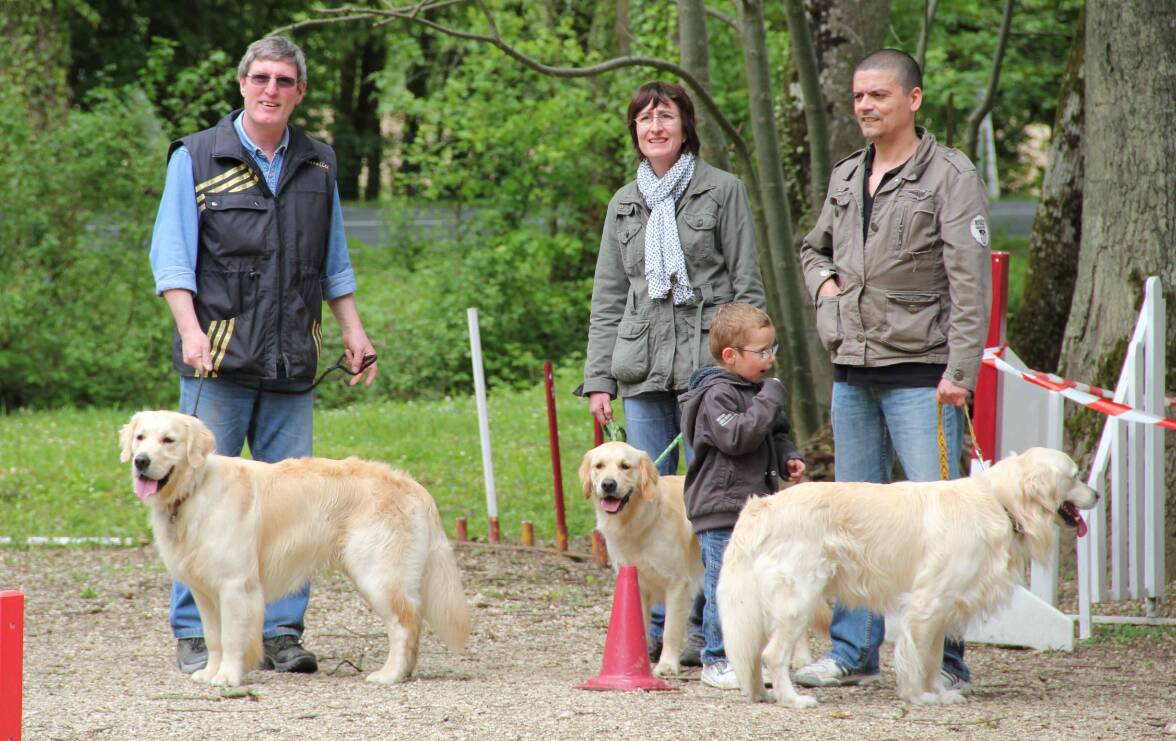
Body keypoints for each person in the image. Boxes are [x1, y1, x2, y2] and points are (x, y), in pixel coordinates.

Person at [148, 35, 378, 676]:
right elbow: (171, 256)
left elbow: (333, 263)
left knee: (293, 509)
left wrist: (354, 332)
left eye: (284, 81)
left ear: (299, 92)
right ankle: (197, 633)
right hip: (215, 361)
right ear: (242, 84)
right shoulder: (195, 157)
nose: (271, 90)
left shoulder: (320, 163)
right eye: (261, 78)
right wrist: (190, 331)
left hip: (290, 365)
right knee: (191, 498)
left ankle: (278, 633)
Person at [796, 48, 991, 694]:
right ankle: (853, 650)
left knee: (942, 525)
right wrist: (825, 293)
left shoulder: (950, 176)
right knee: (854, 523)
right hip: (852, 372)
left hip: (925, 377)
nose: (864, 107)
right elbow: (812, 248)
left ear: (913, 99)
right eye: (858, 97)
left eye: (878, 95)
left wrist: (960, 369)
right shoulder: (847, 175)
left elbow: (970, 284)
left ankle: (948, 662)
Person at [577, 81, 767, 664]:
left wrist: (741, 367)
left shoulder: (723, 190)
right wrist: (599, 378)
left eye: (666, 117)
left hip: (709, 372)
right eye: (644, 119)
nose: (655, 127)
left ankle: (718, 630)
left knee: (709, 501)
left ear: (686, 126)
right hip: (640, 368)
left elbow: (747, 284)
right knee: (646, 503)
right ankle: (661, 632)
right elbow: (609, 295)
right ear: (634, 131)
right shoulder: (624, 203)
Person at [677, 302, 805, 690]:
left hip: (755, 508)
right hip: (721, 509)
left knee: (754, 585)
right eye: (761, 352)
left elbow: (774, 433)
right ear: (730, 356)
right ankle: (717, 658)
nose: (769, 359)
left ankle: (747, 656)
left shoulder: (757, 391)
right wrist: (770, 398)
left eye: (772, 349)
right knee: (725, 586)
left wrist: (789, 457)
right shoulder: (717, 395)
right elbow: (737, 438)